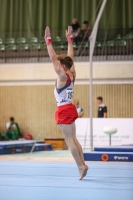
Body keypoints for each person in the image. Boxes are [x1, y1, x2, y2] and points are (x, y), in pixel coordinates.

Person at [45, 26, 88, 180]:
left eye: (59, 64)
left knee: (69, 140)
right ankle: (82, 163)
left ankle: (80, 166)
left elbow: (53, 59)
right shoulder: (72, 73)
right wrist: (70, 41)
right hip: (69, 107)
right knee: (74, 139)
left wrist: (48, 42)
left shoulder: (63, 77)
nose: (57, 66)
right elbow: (71, 58)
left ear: (62, 67)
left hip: (64, 108)